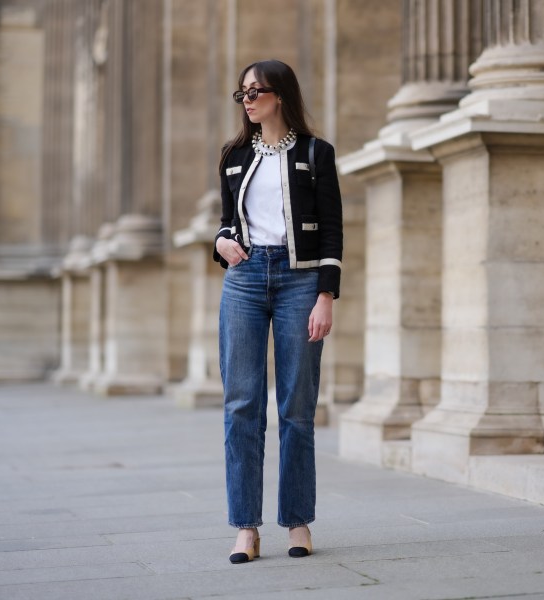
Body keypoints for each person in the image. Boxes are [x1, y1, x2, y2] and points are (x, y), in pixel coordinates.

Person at [213, 59, 343, 564]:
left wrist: (326, 295)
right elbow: (228, 223)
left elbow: (332, 228)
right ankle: (246, 528)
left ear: (281, 95)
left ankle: (297, 521)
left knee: (296, 409)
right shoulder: (233, 155)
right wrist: (221, 242)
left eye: (256, 91)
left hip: (300, 280)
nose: (247, 100)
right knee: (241, 406)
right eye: (242, 93)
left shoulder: (316, 153)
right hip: (244, 281)